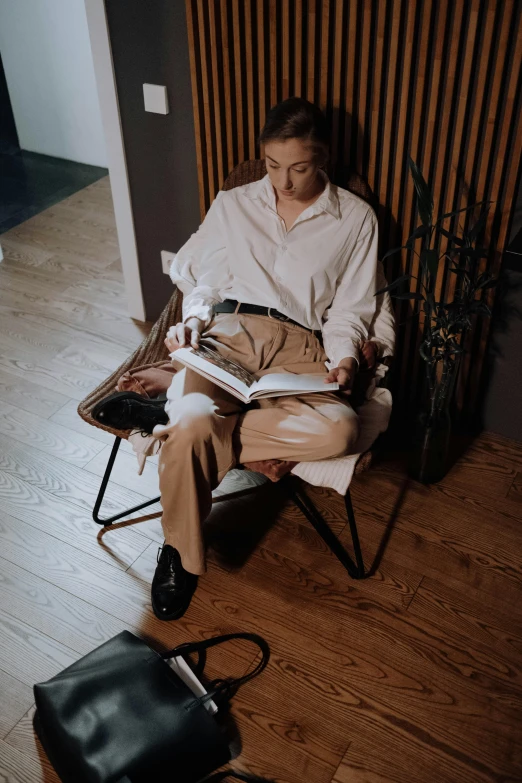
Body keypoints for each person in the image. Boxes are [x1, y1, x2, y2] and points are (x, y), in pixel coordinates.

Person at [94, 97, 382, 621]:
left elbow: (352, 308)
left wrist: (343, 360)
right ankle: (180, 554)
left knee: (340, 431)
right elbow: (205, 279)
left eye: (298, 167)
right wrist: (195, 321)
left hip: (301, 346)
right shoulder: (234, 203)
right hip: (229, 332)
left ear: (324, 158)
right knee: (196, 417)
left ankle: (167, 422)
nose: (284, 181)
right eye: (273, 166)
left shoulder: (356, 219)